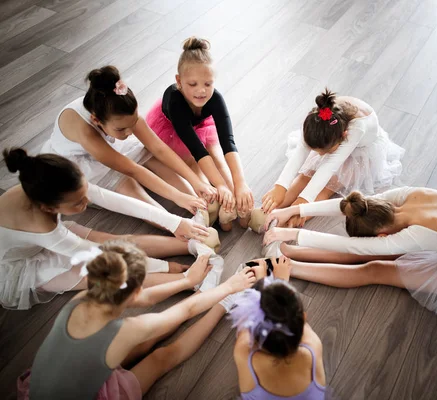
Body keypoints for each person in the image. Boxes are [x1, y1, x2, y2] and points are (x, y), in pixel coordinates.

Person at [17, 240, 256, 400]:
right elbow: (186, 311)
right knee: (160, 357)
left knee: (139, 344)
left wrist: (186, 281)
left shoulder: (84, 297)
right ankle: (223, 303)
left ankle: (206, 293)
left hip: (54, 385)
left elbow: (146, 297)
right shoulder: (126, 329)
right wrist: (228, 286)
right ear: (134, 292)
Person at [263, 187, 437, 328]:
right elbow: (349, 205)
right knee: (371, 256)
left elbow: (353, 248)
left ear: (382, 235)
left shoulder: (417, 234)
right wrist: (293, 210)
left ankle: (289, 266)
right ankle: (292, 251)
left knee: (374, 269)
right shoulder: (402, 199)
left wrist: (294, 232)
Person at [0, 148, 209, 310]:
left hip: (49, 239)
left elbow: (112, 200)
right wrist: (165, 267)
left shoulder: (49, 184)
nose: (86, 203)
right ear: (49, 208)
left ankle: (192, 243)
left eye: (84, 196)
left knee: (120, 241)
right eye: (78, 203)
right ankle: (189, 282)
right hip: (22, 265)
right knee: (111, 276)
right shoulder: (41, 225)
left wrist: (174, 222)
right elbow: (102, 258)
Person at [41, 65, 213, 216]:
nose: (130, 132)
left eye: (133, 124)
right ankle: (176, 224)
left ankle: (200, 203)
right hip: (79, 162)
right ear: (96, 120)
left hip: (110, 141)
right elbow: (133, 170)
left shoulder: (122, 113)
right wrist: (177, 197)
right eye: (122, 129)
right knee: (127, 185)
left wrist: (195, 181)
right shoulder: (87, 132)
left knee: (150, 155)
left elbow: (158, 147)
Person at [147, 37, 253, 231]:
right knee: (194, 164)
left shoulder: (215, 99)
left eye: (208, 83)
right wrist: (218, 186)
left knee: (219, 160)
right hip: (175, 130)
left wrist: (240, 184)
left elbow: (228, 142)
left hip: (201, 125)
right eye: (193, 84)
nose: (201, 91)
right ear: (179, 81)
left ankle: (237, 203)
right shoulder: (176, 102)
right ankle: (216, 201)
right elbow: (197, 149)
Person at [261, 88, 404, 228]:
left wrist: (303, 203)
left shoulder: (355, 131)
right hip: (332, 139)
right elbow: (300, 153)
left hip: (361, 151)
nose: (320, 156)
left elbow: (329, 167)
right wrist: (280, 187)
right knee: (305, 176)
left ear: (343, 136)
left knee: (329, 186)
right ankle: (266, 211)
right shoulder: (315, 121)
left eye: (324, 152)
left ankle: (286, 222)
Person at [231, 257, 326, 399]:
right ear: (304, 318)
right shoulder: (313, 345)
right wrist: (281, 282)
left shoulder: (243, 352)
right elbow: (289, 318)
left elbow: (246, 324)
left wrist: (261, 282)